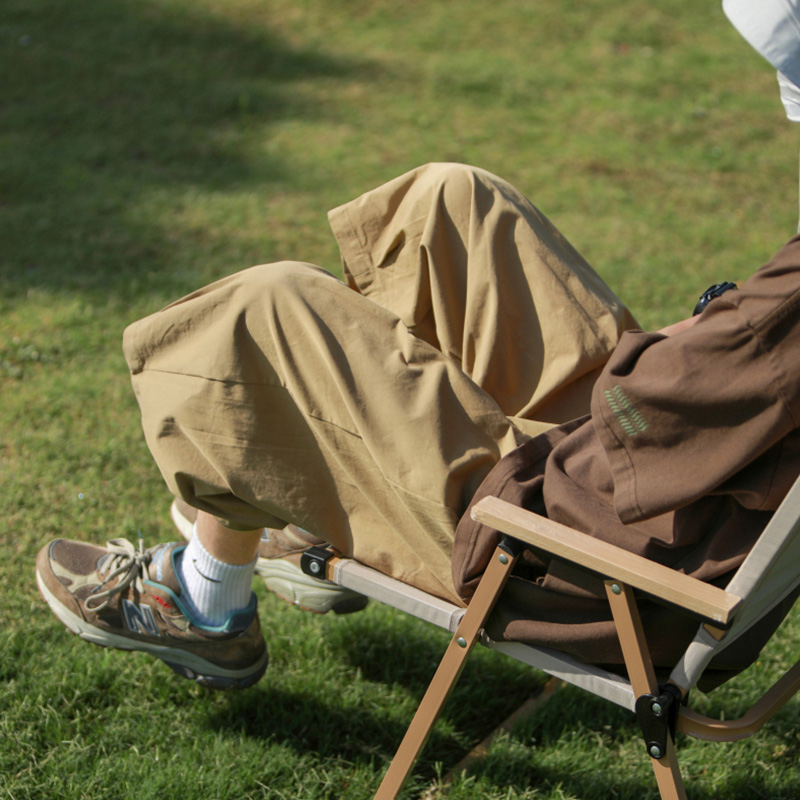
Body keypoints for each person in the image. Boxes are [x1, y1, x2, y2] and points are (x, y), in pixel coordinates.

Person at [36, 0, 800, 692]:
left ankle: (204, 599)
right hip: (652, 510)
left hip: (574, 554)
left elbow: (649, 403)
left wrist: (706, 325)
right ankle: (332, 503)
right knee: (453, 205)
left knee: (270, 309)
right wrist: (713, 332)